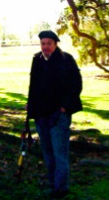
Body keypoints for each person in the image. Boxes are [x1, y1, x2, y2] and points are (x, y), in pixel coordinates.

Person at [26, 30, 83, 199]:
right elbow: (33, 85)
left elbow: (76, 85)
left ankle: (61, 188)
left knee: (60, 152)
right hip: (40, 114)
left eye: (49, 43)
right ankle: (52, 186)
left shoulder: (66, 60)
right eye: (43, 43)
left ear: (55, 44)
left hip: (59, 115)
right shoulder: (36, 60)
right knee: (47, 153)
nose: (46, 47)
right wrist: (31, 104)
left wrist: (65, 107)